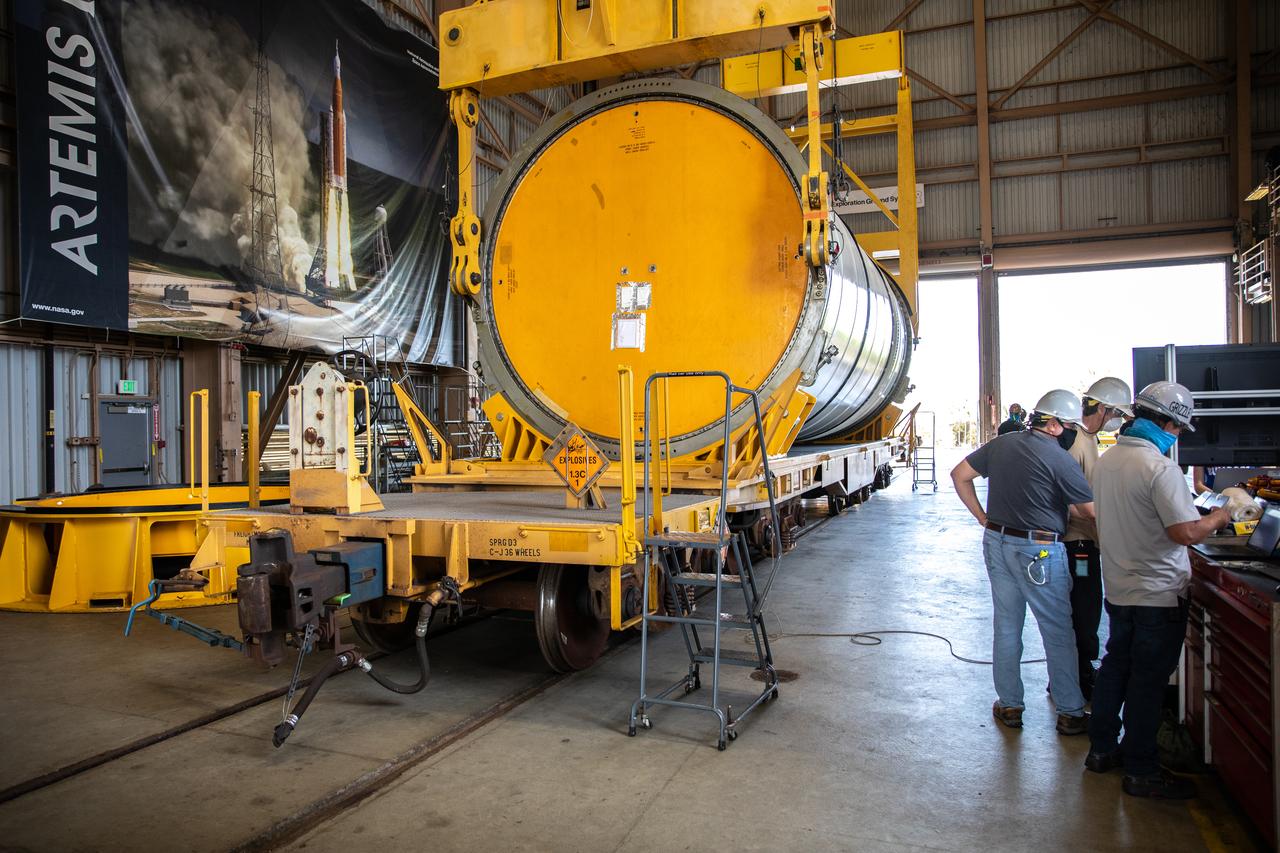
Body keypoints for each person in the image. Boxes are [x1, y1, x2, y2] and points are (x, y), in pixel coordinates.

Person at [1085, 381, 1231, 799]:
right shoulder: (1160, 468)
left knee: (1116, 667)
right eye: (1179, 428)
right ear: (1165, 421)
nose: (1178, 436)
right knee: (1148, 680)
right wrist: (1219, 518)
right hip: (1157, 592)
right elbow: (1184, 531)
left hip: (1119, 586)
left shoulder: (1109, 460)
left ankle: (1102, 750)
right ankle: (1142, 769)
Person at [951, 389, 1096, 735]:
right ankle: (1071, 711)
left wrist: (983, 518)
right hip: (1040, 551)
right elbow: (1089, 511)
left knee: (1006, 626)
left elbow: (959, 475)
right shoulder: (1060, 459)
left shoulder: (1002, 445)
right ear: (1058, 426)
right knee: (1057, 630)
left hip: (998, 542)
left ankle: (1010, 705)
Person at [1055, 376, 1133, 699]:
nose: (1115, 421)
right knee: (1084, 610)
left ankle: (1074, 673)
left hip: (1090, 541)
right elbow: (1060, 494)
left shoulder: (1091, 439)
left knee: (1087, 609)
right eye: (1114, 414)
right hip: (1079, 546)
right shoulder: (1072, 438)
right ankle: (1079, 676)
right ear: (1100, 408)